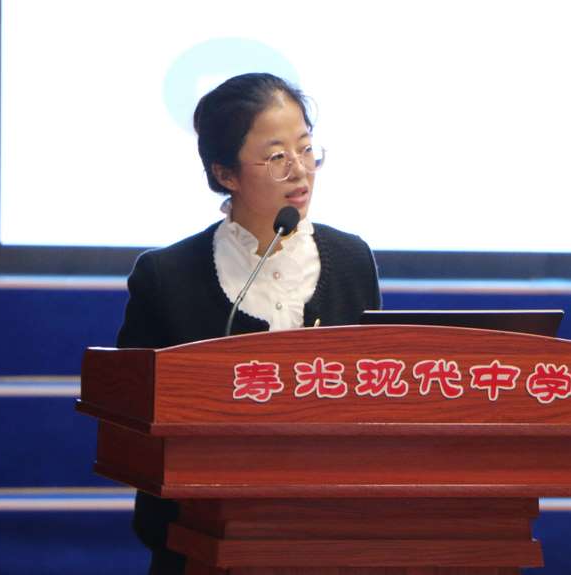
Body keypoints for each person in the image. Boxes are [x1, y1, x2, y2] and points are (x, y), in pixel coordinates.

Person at [115, 73, 381, 574]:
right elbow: (133, 423)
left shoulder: (352, 260)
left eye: (306, 148)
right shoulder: (166, 277)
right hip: (200, 542)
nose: (300, 170)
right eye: (277, 156)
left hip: (332, 540)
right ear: (226, 173)